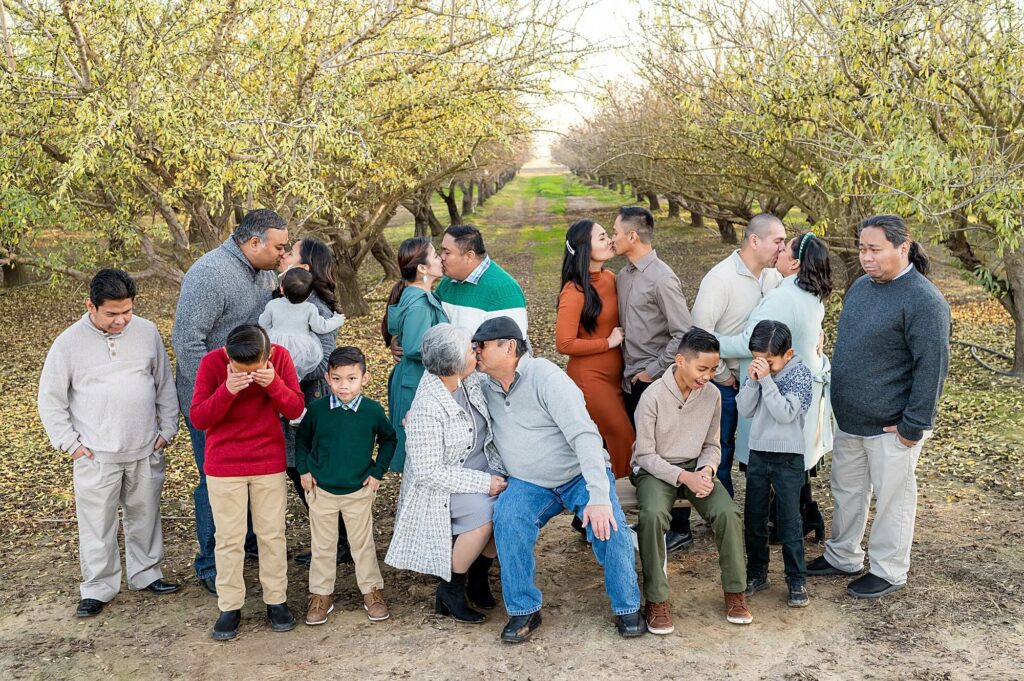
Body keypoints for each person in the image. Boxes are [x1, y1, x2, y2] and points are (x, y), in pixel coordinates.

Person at [473, 317, 645, 643]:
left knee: (608, 524)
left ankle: (628, 607)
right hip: (529, 483)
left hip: (577, 474)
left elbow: (585, 436)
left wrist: (597, 496)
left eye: (481, 345)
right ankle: (524, 610)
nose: (475, 352)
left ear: (508, 346)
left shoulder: (547, 378)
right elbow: (444, 383)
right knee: (508, 517)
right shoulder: (483, 384)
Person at [808, 214, 950, 598]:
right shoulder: (860, 286)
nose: (866, 257)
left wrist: (913, 425)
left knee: (893, 500)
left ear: (902, 248)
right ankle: (843, 556)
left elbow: (932, 367)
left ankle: (888, 570)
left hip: (893, 426)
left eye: (874, 249)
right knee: (847, 492)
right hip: (851, 419)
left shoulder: (923, 300)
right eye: (861, 249)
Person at [38, 269, 180, 618]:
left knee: (145, 515)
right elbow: (50, 399)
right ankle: (99, 587)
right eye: (113, 313)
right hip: (95, 452)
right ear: (91, 306)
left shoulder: (146, 332)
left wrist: (167, 429)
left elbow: (163, 383)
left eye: (127, 311)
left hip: (145, 446)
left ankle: (147, 574)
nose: (122, 320)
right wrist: (70, 444)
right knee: (97, 523)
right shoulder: (68, 343)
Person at [172, 208, 288, 594]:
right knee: (214, 481)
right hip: (213, 403)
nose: (282, 254)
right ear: (253, 243)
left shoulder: (262, 271)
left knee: (251, 478)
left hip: (252, 398)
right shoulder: (210, 275)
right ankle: (210, 563)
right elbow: (188, 343)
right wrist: (214, 393)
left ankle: (247, 545)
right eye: (278, 247)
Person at [716, 232, 835, 541]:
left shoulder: (784, 296)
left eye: (785, 248)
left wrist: (709, 343)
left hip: (780, 386)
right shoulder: (809, 292)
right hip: (802, 384)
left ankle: (786, 522)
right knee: (794, 456)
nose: (779, 251)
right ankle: (806, 515)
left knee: (777, 455)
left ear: (795, 262)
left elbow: (750, 342)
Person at [189, 324, 305, 640]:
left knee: (272, 534)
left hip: (268, 460)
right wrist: (228, 389)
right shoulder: (213, 363)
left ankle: (276, 600)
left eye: (257, 369)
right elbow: (199, 418)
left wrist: (274, 385)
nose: (251, 375)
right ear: (228, 355)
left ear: (268, 354)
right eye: (243, 370)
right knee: (229, 537)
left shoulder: (280, 359)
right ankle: (230, 606)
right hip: (224, 464)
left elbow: (295, 409)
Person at [632, 328, 751, 634]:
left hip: (696, 468)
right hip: (656, 470)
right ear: (680, 360)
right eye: (702, 369)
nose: (708, 376)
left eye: (714, 369)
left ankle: (735, 592)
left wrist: (707, 471)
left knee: (727, 513)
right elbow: (644, 455)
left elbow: (713, 444)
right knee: (653, 516)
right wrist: (683, 476)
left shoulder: (712, 395)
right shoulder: (653, 397)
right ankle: (656, 600)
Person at [385, 324, 507, 624]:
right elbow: (429, 473)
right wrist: (484, 482)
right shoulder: (427, 407)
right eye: (470, 350)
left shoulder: (466, 381)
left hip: (484, 470)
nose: (475, 351)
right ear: (453, 365)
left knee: (510, 506)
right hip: (446, 486)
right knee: (487, 514)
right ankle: (451, 589)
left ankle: (479, 574)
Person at [612, 205, 694, 551]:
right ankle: (653, 514)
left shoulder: (662, 277)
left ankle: (680, 526)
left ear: (633, 236)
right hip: (630, 379)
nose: (612, 237)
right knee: (643, 450)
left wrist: (652, 371)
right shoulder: (625, 275)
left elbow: (683, 332)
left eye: (615, 232)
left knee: (666, 450)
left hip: (654, 380)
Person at [296, 347, 397, 625]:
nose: (344, 385)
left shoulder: (372, 411)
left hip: (358, 490)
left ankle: (371, 591)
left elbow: (389, 440)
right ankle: (321, 595)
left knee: (362, 544)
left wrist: (377, 473)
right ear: (328, 378)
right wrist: (304, 470)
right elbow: (302, 441)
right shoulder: (316, 410)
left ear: (364, 378)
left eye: (351, 378)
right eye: (337, 378)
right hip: (322, 490)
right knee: (323, 546)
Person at [691, 213, 786, 497]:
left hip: (763, 380)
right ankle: (723, 509)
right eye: (778, 241)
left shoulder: (774, 277)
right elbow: (699, 334)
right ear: (754, 240)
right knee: (720, 448)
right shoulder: (720, 279)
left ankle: (762, 511)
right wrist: (722, 377)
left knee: (760, 448)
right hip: (727, 383)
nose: (782, 248)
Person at [274, 237, 352, 568]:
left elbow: (323, 363)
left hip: (308, 402)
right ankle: (335, 542)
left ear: (303, 267)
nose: (282, 255)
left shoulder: (315, 307)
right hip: (291, 402)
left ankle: (338, 544)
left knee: (307, 472)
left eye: (289, 253)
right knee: (300, 471)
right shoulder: (286, 300)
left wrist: (280, 371)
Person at [736, 320, 813, 608]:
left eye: (769, 360)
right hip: (758, 452)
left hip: (788, 457)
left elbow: (785, 413)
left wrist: (766, 380)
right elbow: (745, 409)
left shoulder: (800, 375)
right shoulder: (756, 372)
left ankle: (796, 579)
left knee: (790, 520)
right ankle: (757, 573)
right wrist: (755, 380)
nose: (762, 365)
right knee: (754, 517)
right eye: (758, 359)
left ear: (788, 354)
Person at [556, 219, 634, 479]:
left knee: (607, 442)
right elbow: (564, 343)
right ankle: (623, 504)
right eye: (601, 237)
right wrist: (608, 342)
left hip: (617, 377)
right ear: (585, 249)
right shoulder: (574, 291)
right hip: (590, 379)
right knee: (623, 436)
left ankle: (592, 510)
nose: (610, 240)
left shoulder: (611, 277)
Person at [383, 237, 449, 472]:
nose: (440, 259)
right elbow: (413, 346)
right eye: (434, 256)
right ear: (422, 268)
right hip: (415, 381)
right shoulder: (420, 303)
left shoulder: (416, 295)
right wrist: (457, 353)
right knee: (419, 453)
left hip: (412, 379)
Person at [435, 224, 528, 336]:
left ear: (469, 257)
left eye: (447, 252)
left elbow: (511, 348)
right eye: (442, 251)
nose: (441, 257)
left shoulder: (505, 291)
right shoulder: (446, 284)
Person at [259, 268, 345, 379]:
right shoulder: (309, 308)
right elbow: (321, 327)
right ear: (309, 294)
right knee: (293, 372)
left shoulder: (272, 304)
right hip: (301, 347)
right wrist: (338, 319)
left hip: (276, 343)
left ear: (282, 288)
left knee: (277, 367)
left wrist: (271, 330)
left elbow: (263, 323)